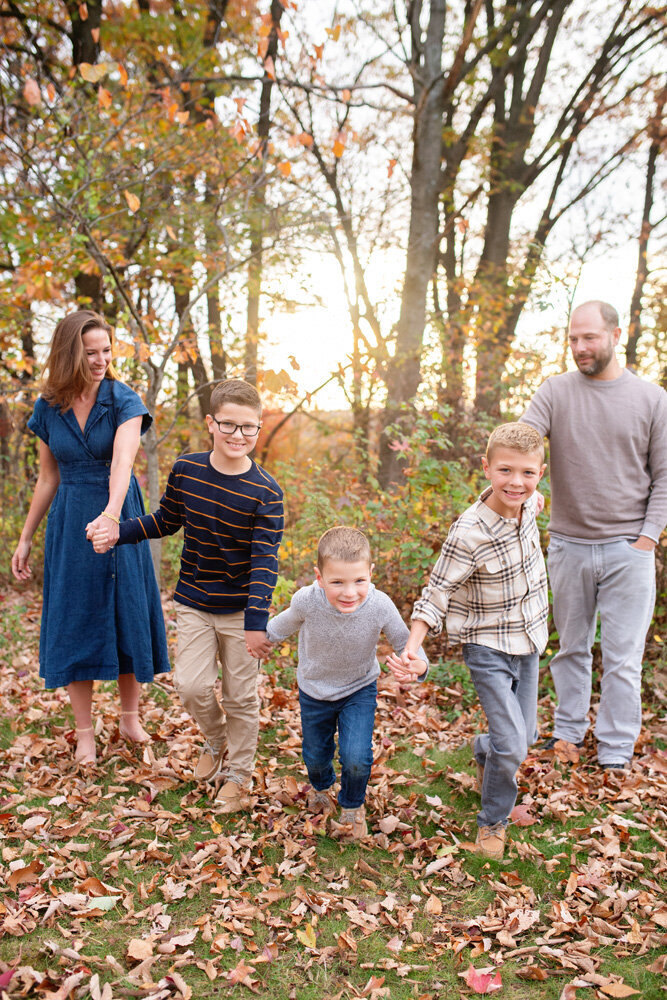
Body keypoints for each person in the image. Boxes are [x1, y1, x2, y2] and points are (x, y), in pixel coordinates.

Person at [91, 379, 284, 814]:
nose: (239, 436)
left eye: (249, 428)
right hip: (195, 600)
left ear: (259, 428)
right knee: (191, 686)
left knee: (240, 697)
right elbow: (166, 520)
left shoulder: (266, 492)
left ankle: (238, 773)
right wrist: (117, 532)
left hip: (240, 613)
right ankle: (217, 740)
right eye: (229, 425)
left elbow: (265, 562)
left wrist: (257, 623)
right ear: (210, 424)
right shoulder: (188, 470)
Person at [11, 310, 170, 765]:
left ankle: (130, 717)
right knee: (75, 616)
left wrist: (111, 519)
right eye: (90, 352)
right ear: (69, 353)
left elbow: (122, 463)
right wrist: (25, 538)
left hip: (118, 512)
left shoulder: (124, 400)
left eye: (106, 351)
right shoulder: (48, 407)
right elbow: (47, 478)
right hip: (70, 519)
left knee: (126, 612)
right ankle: (84, 733)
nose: (101, 360)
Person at [521, 300, 667, 771]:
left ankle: (616, 750)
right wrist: (525, 485)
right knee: (570, 649)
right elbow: (522, 439)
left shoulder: (652, 399)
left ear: (616, 335)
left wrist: (647, 538)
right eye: (573, 339)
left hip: (630, 551)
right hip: (567, 546)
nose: (580, 348)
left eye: (590, 338)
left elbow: (664, 477)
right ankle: (567, 735)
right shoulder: (556, 392)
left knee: (624, 659)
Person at [391, 423, 548, 860]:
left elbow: (535, 499)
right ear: (486, 468)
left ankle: (485, 750)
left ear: (540, 473)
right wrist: (413, 645)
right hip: (488, 647)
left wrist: (535, 496)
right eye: (505, 471)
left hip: (530, 640)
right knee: (514, 744)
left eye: (527, 473)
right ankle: (492, 823)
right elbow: (436, 592)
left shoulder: (530, 503)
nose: (515, 482)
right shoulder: (469, 532)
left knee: (524, 735)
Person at [264, 526, 428, 840]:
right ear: (319, 577)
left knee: (356, 757)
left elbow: (406, 643)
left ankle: (353, 805)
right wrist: (260, 638)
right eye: (337, 582)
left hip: (359, 687)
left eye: (359, 581)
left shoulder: (379, 605)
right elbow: (280, 626)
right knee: (315, 755)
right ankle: (322, 785)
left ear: (370, 573)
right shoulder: (307, 602)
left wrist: (418, 665)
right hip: (314, 689)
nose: (349, 592)